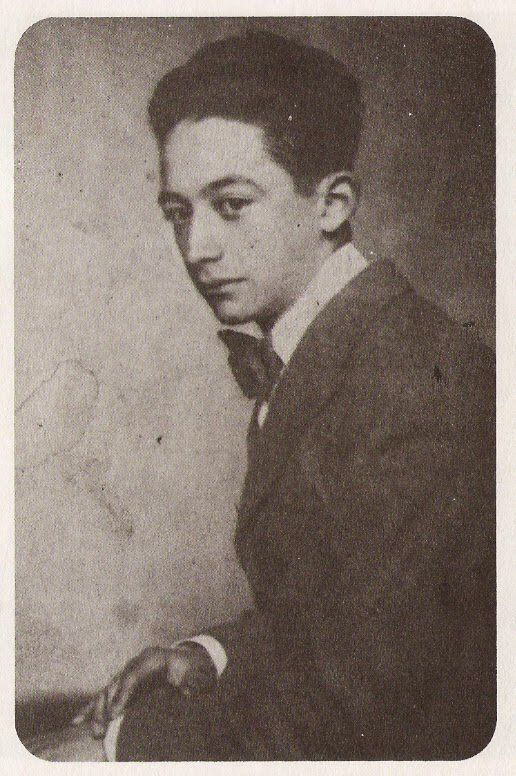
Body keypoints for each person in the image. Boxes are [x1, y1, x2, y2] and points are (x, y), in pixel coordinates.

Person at [33, 29, 495, 761]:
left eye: (232, 204)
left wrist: (117, 748)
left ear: (332, 204)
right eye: (179, 213)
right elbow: (341, 616)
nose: (196, 249)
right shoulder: (329, 346)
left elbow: (360, 705)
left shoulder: (416, 377)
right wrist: (209, 654)